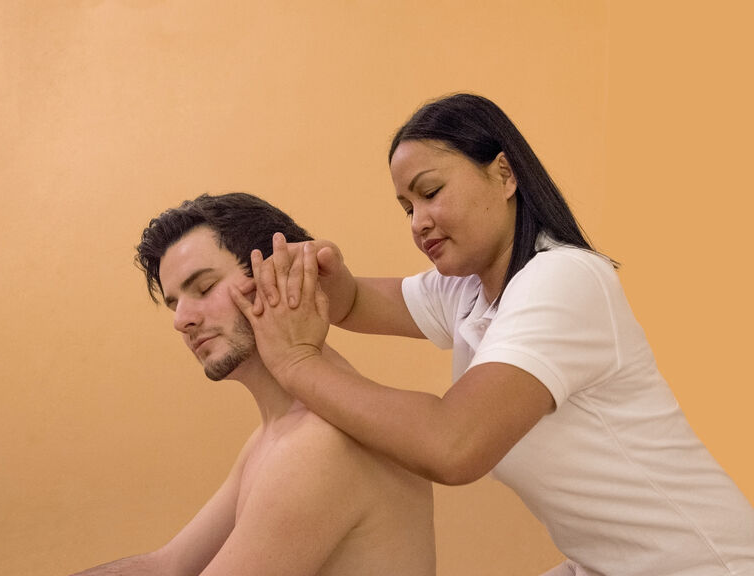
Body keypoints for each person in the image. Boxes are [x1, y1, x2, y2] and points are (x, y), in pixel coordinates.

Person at [233, 94, 754, 576]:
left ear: (504, 174)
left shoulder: (563, 281)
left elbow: (453, 445)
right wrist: (322, 276)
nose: (418, 222)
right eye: (407, 209)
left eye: (430, 192)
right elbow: (351, 303)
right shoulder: (469, 291)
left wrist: (297, 363)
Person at [69, 193, 435, 576]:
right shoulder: (279, 435)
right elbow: (166, 566)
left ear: (283, 273)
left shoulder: (320, 445)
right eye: (175, 304)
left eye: (204, 287)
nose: (182, 320)